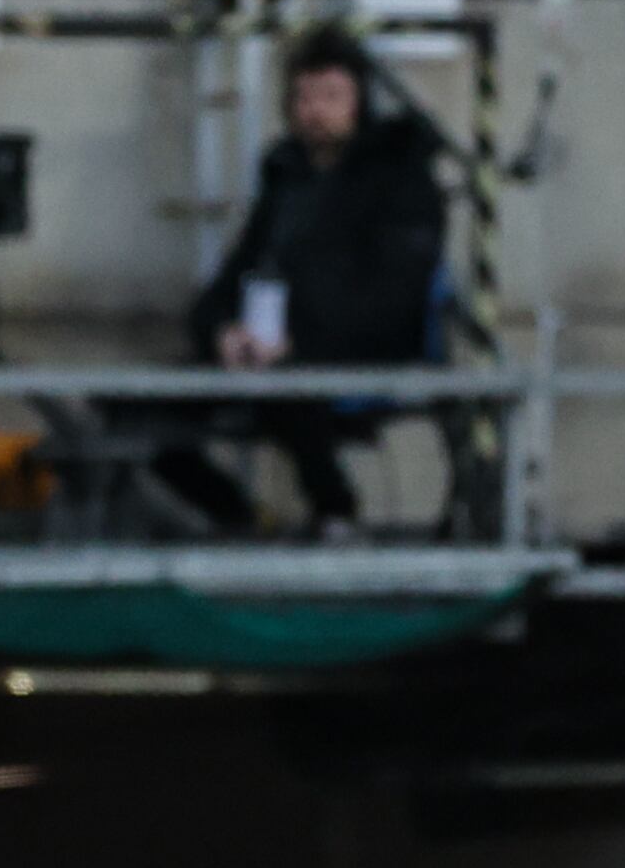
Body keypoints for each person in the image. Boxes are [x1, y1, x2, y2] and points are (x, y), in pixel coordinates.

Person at [162, 30, 447, 540]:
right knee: (141, 408)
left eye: (331, 96)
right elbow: (238, 271)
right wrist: (220, 331)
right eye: (304, 96)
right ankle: (237, 519)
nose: (315, 110)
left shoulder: (400, 180)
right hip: (268, 348)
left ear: (361, 103)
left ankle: (335, 510)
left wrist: (298, 340)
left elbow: (392, 295)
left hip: (359, 348)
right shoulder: (285, 179)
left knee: (290, 384)